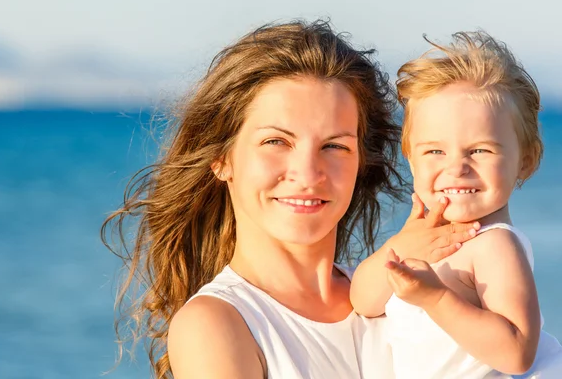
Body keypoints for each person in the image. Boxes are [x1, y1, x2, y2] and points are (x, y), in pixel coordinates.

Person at [101, 20, 481, 379]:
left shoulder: (404, 294)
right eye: (276, 142)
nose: (308, 172)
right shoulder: (216, 324)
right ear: (221, 158)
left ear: (362, 163)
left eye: (334, 146)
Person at [351, 31, 562, 378]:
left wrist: (437, 299)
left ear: (526, 160)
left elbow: (516, 353)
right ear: (412, 160)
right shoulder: (418, 238)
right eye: (435, 151)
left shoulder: (494, 244)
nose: (456, 167)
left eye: (480, 150)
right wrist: (399, 247)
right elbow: (363, 300)